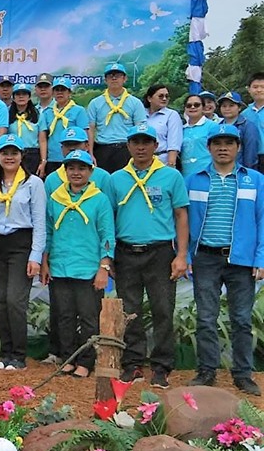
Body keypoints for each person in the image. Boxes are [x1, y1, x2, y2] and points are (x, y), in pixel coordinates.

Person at [107, 124, 189, 388]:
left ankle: (161, 366)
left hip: (160, 252)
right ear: (128, 146)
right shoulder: (116, 179)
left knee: (162, 309)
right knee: (129, 312)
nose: (141, 147)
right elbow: (109, 219)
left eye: (146, 142)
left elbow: (181, 215)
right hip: (126, 251)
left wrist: (182, 255)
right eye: (136, 142)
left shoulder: (171, 176)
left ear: (156, 146)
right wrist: (108, 256)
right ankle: (132, 364)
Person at [186, 123, 264, 396]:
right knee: (206, 318)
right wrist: (185, 255)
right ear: (208, 148)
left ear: (238, 147)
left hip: (241, 260)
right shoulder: (194, 180)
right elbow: (182, 221)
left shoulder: (255, 180)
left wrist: (260, 258)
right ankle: (206, 371)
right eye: (217, 143)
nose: (223, 148)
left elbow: (262, 221)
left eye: (229, 143)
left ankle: (243, 374)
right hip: (205, 258)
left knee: (241, 319)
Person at [41, 149, 115, 379]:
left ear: (90, 171)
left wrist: (104, 267)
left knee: (88, 317)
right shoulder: (55, 198)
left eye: (82, 168)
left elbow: (107, 235)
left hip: (88, 268)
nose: (76, 172)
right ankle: (68, 358)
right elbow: (48, 232)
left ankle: (86, 361)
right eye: (71, 168)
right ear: (65, 171)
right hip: (60, 265)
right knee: (64, 316)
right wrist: (45, 262)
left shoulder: (99, 199)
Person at [0, 135, 46, 371]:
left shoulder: (33, 184)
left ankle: (19, 355)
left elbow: (40, 222)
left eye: (14, 153)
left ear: (22, 156)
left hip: (21, 243)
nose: (9, 157)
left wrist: (35, 256)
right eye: (5, 153)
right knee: (0, 300)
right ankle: (6, 353)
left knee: (15, 300)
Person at [87, 62, 147, 173]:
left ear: (125, 79)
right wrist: (90, 153)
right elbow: (90, 129)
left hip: (126, 149)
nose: (114, 78)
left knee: (126, 180)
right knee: (103, 180)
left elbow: (139, 129)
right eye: (110, 76)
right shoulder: (95, 103)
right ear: (105, 80)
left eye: (118, 75)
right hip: (102, 149)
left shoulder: (135, 103)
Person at [38, 77, 89, 178]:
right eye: (57, 90)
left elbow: (84, 135)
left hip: (74, 158)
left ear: (69, 92)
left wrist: (87, 154)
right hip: (53, 158)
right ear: (53, 93)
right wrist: (43, 160)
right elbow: (43, 139)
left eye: (63, 90)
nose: (60, 93)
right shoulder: (47, 112)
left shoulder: (79, 111)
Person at [218, 91, 260, 171]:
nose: (227, 109)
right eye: (224, 106)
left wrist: (247, 172)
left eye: (231, 105)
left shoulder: (247, 126)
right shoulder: (217, 127)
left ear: (239, 107)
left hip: (240, 170)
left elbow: (250, 153)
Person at [143, 84, 183, 167]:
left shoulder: (172, 115)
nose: (164, 99)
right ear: (149, 98)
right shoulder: (141, 114)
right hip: (141, 160)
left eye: (166, 96)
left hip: (162, 161)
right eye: (160, 96)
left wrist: (171, 164)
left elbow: (174, 143)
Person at [7, 83, 40, 174]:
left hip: (33, 154)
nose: (21, 97)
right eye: (18, 94)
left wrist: (43, 160)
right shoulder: (7, 114)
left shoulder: (38, 114)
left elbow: (42, 139)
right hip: (13, 153)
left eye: (24, 94)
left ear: (29, 97)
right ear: (13, 97)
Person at [181, 94, 213, 178]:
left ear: (203, 107)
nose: (192, 107)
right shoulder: (181, 129)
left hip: (207, 174)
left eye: (196, 105)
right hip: (185, 175)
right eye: (189, 105)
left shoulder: (212, 126)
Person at [243, 72, 264, 171]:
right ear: (249, 89)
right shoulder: (244, 114)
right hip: (251, 158)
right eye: (255, 87)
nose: (259, 90)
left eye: (263, 87)